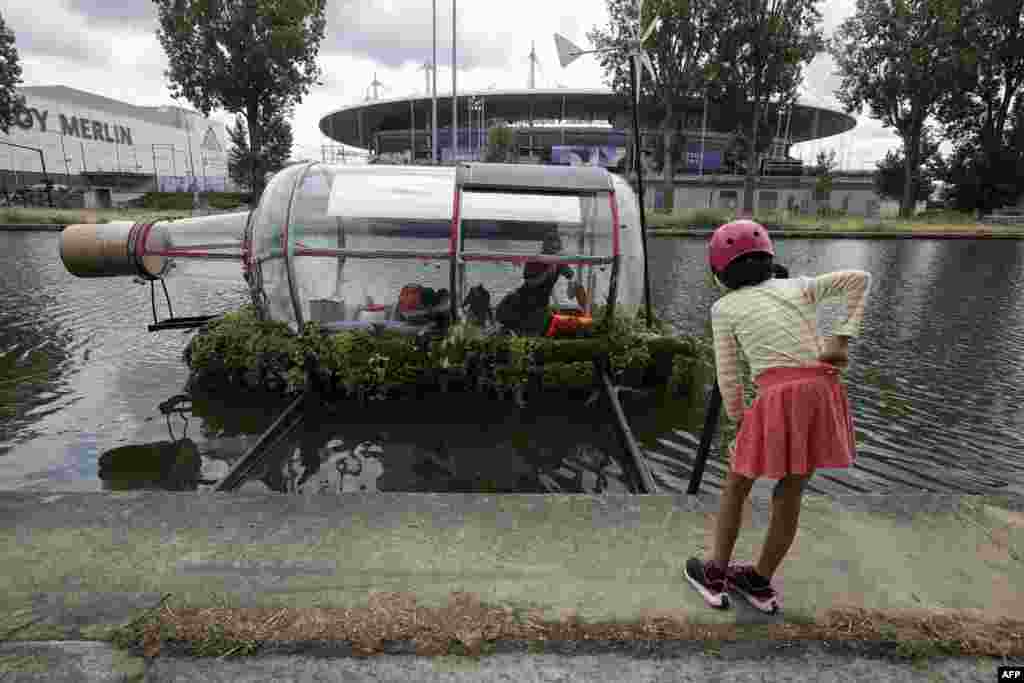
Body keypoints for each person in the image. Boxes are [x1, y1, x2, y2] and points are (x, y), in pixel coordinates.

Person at [684, 219, 872, 614]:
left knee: (737, 484)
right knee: (790, 492)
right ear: (770, 258)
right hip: (823, 389)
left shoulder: (724, 308)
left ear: (719, 272)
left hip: (777, 394)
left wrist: (738, 418)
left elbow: (729, 376)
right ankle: (759, 580)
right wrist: (840, 338)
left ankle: (715, 573)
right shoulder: (798, 287)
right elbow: (860, 278)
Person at [495, 229, 585, 335]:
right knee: (516, 330)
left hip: (541, 304)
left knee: (533, 332)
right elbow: (531, 282)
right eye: (551, 248)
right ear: (544, 247)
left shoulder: (560, 263)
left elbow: (572, 278)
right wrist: (548, 271)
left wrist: (574, 286)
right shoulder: (535, 260)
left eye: (556, 248)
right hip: (522, 301)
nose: (554, 251)